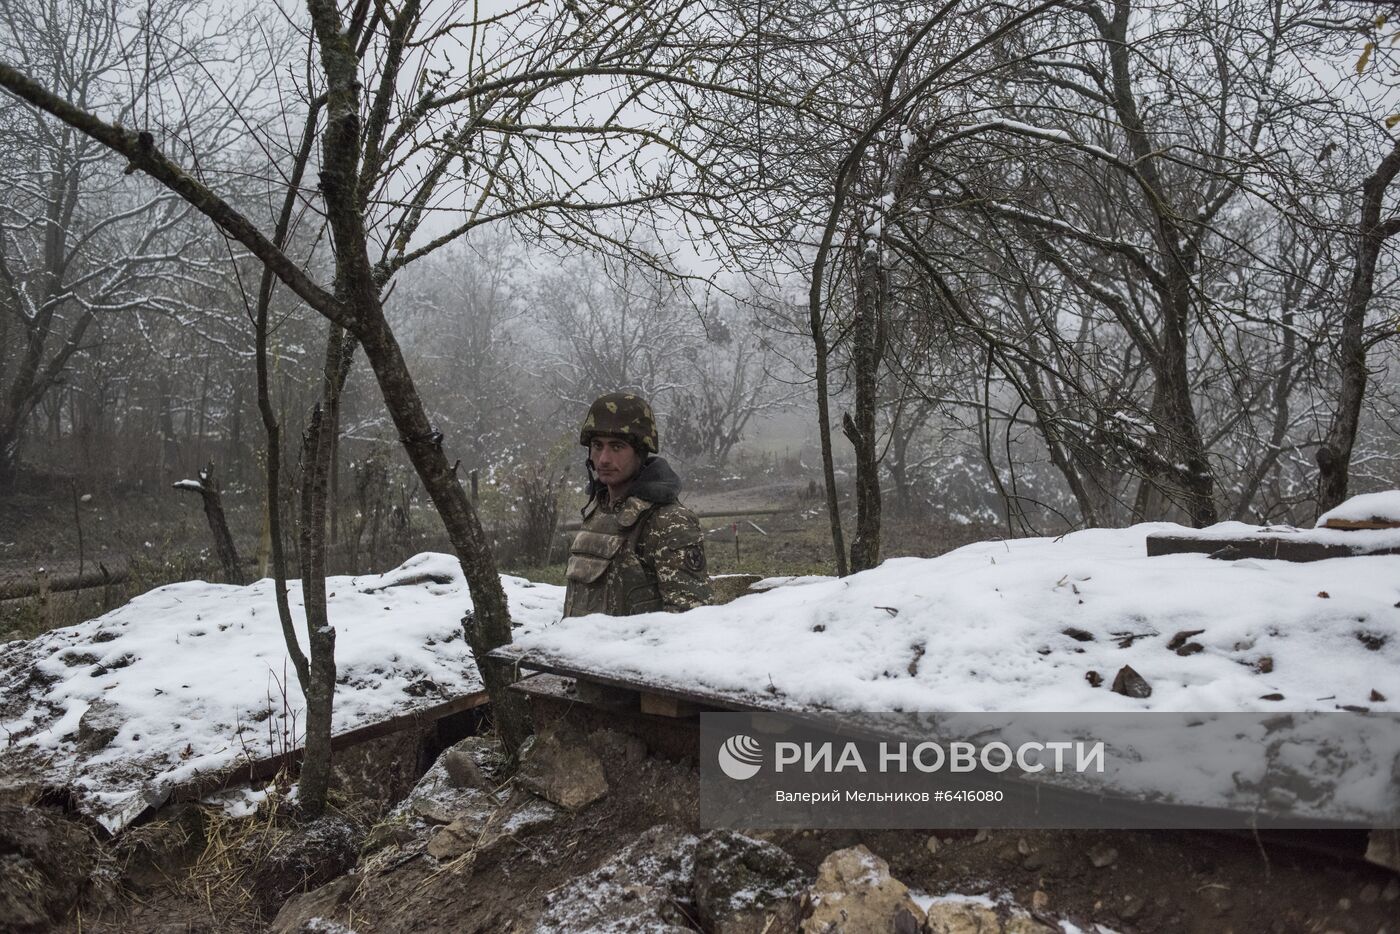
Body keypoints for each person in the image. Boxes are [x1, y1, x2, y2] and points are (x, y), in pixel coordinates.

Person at [562, 391, 711, 617]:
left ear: (640, 452)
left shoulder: (668, 521)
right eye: (597, 446)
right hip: (582, 649)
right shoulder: (598, 510)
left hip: (637, 651)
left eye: (617, 447)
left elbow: (690, 619)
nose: (603, 459)